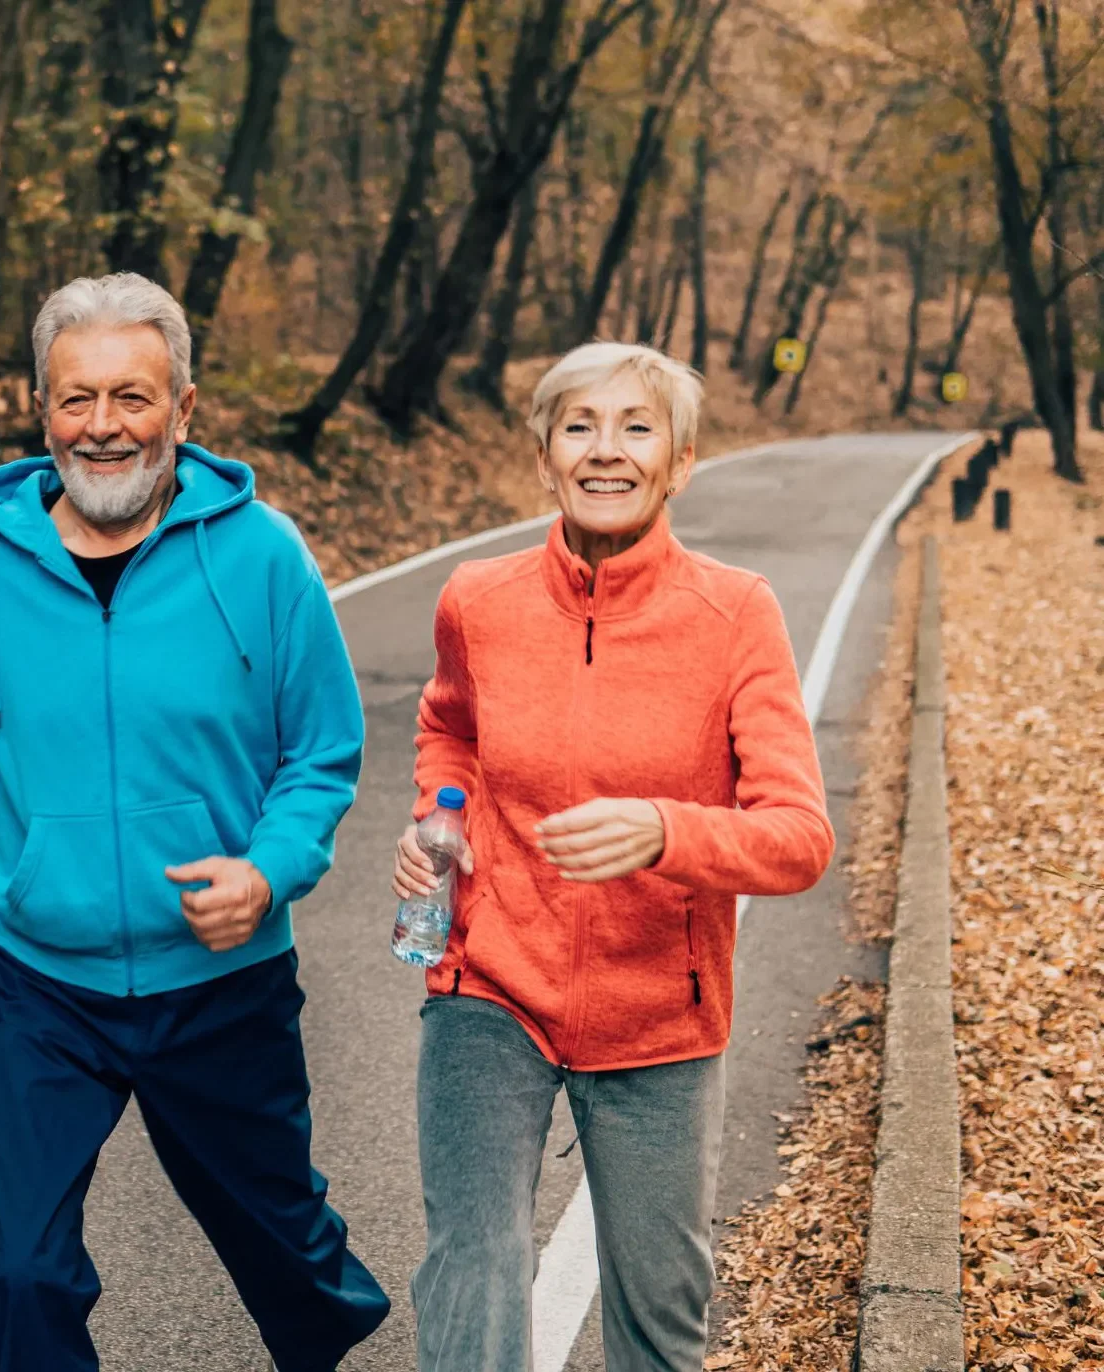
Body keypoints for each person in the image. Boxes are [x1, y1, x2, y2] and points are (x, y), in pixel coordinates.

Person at [0, 272, 389, 1371]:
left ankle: (328, 1326)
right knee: (27, 1276)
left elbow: (322, 751)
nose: (103, 427)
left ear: (183, 409)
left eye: (132, 398)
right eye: (76, 399)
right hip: (45, 987)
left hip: (221, 982)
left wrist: (269, 870)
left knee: (286, 1250)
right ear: (41, 411)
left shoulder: (262, 555)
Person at [392, 341, 835, 1372]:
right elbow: (447, 727)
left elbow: (800, 836)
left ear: (679, 462)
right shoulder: (478, 600)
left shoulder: (736, 616)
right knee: (474, 1269)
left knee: (657, 1308)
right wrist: (439, 816)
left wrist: (665, 832)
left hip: (658, 1011)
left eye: (636, 428)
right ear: (545, 455)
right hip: (488, 981)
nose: (606, 450)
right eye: (578, 426)